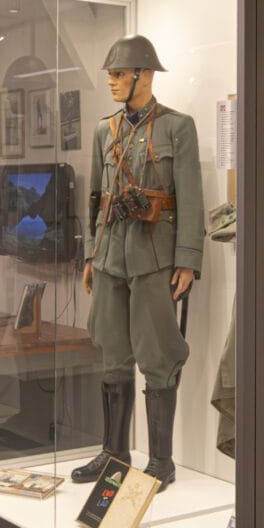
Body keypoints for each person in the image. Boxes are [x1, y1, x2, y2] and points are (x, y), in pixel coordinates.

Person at [73, 35, 205, 490]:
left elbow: (191, 198)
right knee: (112, 350)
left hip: (154, 257)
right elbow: (96, 198)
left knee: (158, 354)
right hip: (111, 255)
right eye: (111, 75)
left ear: (144, 76)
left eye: (118, 74)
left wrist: (187, 260)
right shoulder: (104, 130)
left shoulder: (177, 128)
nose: (111, 82)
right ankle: (114, 453)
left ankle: (161, 462)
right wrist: (91, 254)